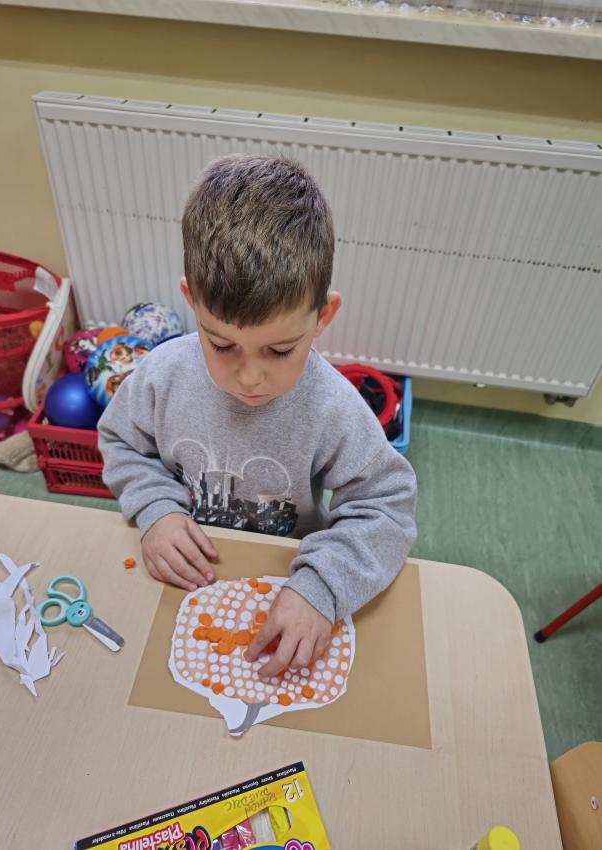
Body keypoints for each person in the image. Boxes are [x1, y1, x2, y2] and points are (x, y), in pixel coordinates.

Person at [98, 154, 417, 678]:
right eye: (222, 345)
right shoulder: (162, 375)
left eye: (280, 350)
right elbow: (122, 442)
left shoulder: (333, 407)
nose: (249, 377)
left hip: (287, 586)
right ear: (191, 300)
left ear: (323, 316)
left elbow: (386, 506)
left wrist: (323, 586)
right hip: (182, 577)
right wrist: (155, 508)